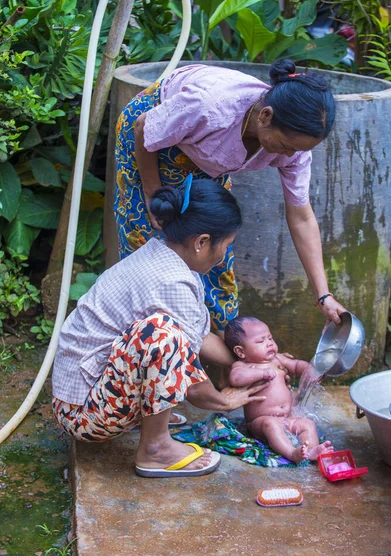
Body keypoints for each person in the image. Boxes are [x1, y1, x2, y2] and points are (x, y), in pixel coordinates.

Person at [52, 179, 269, 478]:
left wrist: (257, 362)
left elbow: (198, 336)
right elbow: (190, 381)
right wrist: (224, 400)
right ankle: (155, 449)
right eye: (226, 246)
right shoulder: (171, 281)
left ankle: (147, 423)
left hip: (91, 394)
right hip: (84, 415)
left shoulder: (162, 254)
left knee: (166, 333)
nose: (223, 257)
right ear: (201, 241)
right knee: (160, 333)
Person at [114, 59, 347, 334]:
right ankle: (149, 339)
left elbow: (301, 217)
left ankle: (224, 352)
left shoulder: (294, 149)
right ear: (265, 116)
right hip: (152, 137)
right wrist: (153, 194)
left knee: (215, 247)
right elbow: (145, 128)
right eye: (285, 146)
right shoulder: (210, 107)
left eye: (297, 150)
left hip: (207, 154)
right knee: (149, 237)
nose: (289, 156)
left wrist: (323, 295)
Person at [225, 316, 334, 463]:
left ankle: (311, 450)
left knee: (307, 423)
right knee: (271, 424)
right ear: (241, 352)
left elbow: (295, 366)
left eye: (270, 338)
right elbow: (236, 378)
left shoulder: (277, 359)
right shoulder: (243, 366)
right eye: (261, 341)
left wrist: (313, 371)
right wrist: (261, 373)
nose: (269, 343)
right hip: (260, 422)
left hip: (286, 418)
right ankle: (291, 453)